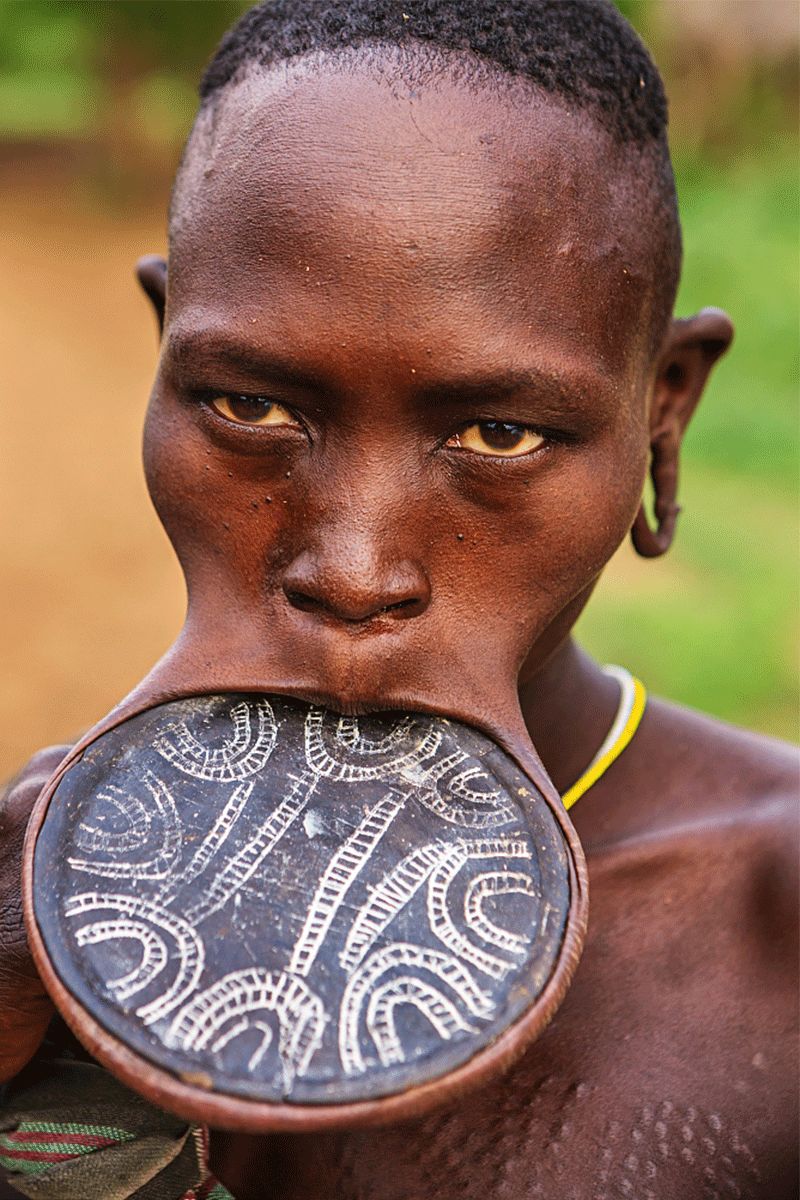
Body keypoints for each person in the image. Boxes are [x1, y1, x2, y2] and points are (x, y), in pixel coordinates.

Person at [1, 1, 796, 1197]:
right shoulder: (25, 899)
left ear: (661, 413)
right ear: (168, 354)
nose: (356, 571)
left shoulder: (773, 943)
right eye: (250, 407)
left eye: (498, 430)